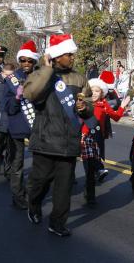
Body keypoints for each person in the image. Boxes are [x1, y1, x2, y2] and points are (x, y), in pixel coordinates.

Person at [23, 34, 93, 237]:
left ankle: (57, 222)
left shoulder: (79, 78)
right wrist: (47, 69)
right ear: (56, 55)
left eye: (71, 54)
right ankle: (34, 204)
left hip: (69, 141)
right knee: (40, 182)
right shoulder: (39, 74)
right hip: (45, 140)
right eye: (68, 54)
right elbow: (31, 94)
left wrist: (84, 107)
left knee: (64, 187)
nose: (72, 58)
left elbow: (89, 106)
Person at [81, 77, 130, 206]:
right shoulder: (83, 103)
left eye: (98, 91)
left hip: (97, 139)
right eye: (92, 90)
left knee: (91, 169)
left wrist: (122, 107)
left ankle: (90, 194)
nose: (95, 93)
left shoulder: (103, 104)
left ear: (102, 93)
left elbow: (116, 117)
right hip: (84, 138)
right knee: (88, 168)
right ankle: (88, 194)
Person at [3, 40, 40, 210]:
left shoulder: (40, 77)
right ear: (19, 61)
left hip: (37, 127)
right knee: (17, 164)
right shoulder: (12, 80)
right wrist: (17, 97)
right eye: (23, 60)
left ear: (34, 61)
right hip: (17, 127)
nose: (26, 63)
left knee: (40, 165)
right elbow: (9, 109)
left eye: (30, 60)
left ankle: (32, 194)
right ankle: (17, 196)